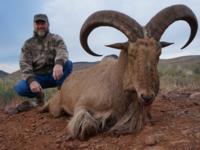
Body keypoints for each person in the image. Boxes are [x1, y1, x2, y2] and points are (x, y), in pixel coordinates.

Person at [5, 14, 73, 114]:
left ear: (47, 24)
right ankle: (39, 98)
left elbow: (62, 51)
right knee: (20, 88)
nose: (40, 26)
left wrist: (58, 64)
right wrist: (31, 80)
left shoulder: (56, 38)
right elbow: (24, 64)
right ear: (34, 25)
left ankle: (61, 95)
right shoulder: (28, 44)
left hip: (55, 75)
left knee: (68, 64)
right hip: (38, 78)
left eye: (43, 23)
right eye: (38, 24)